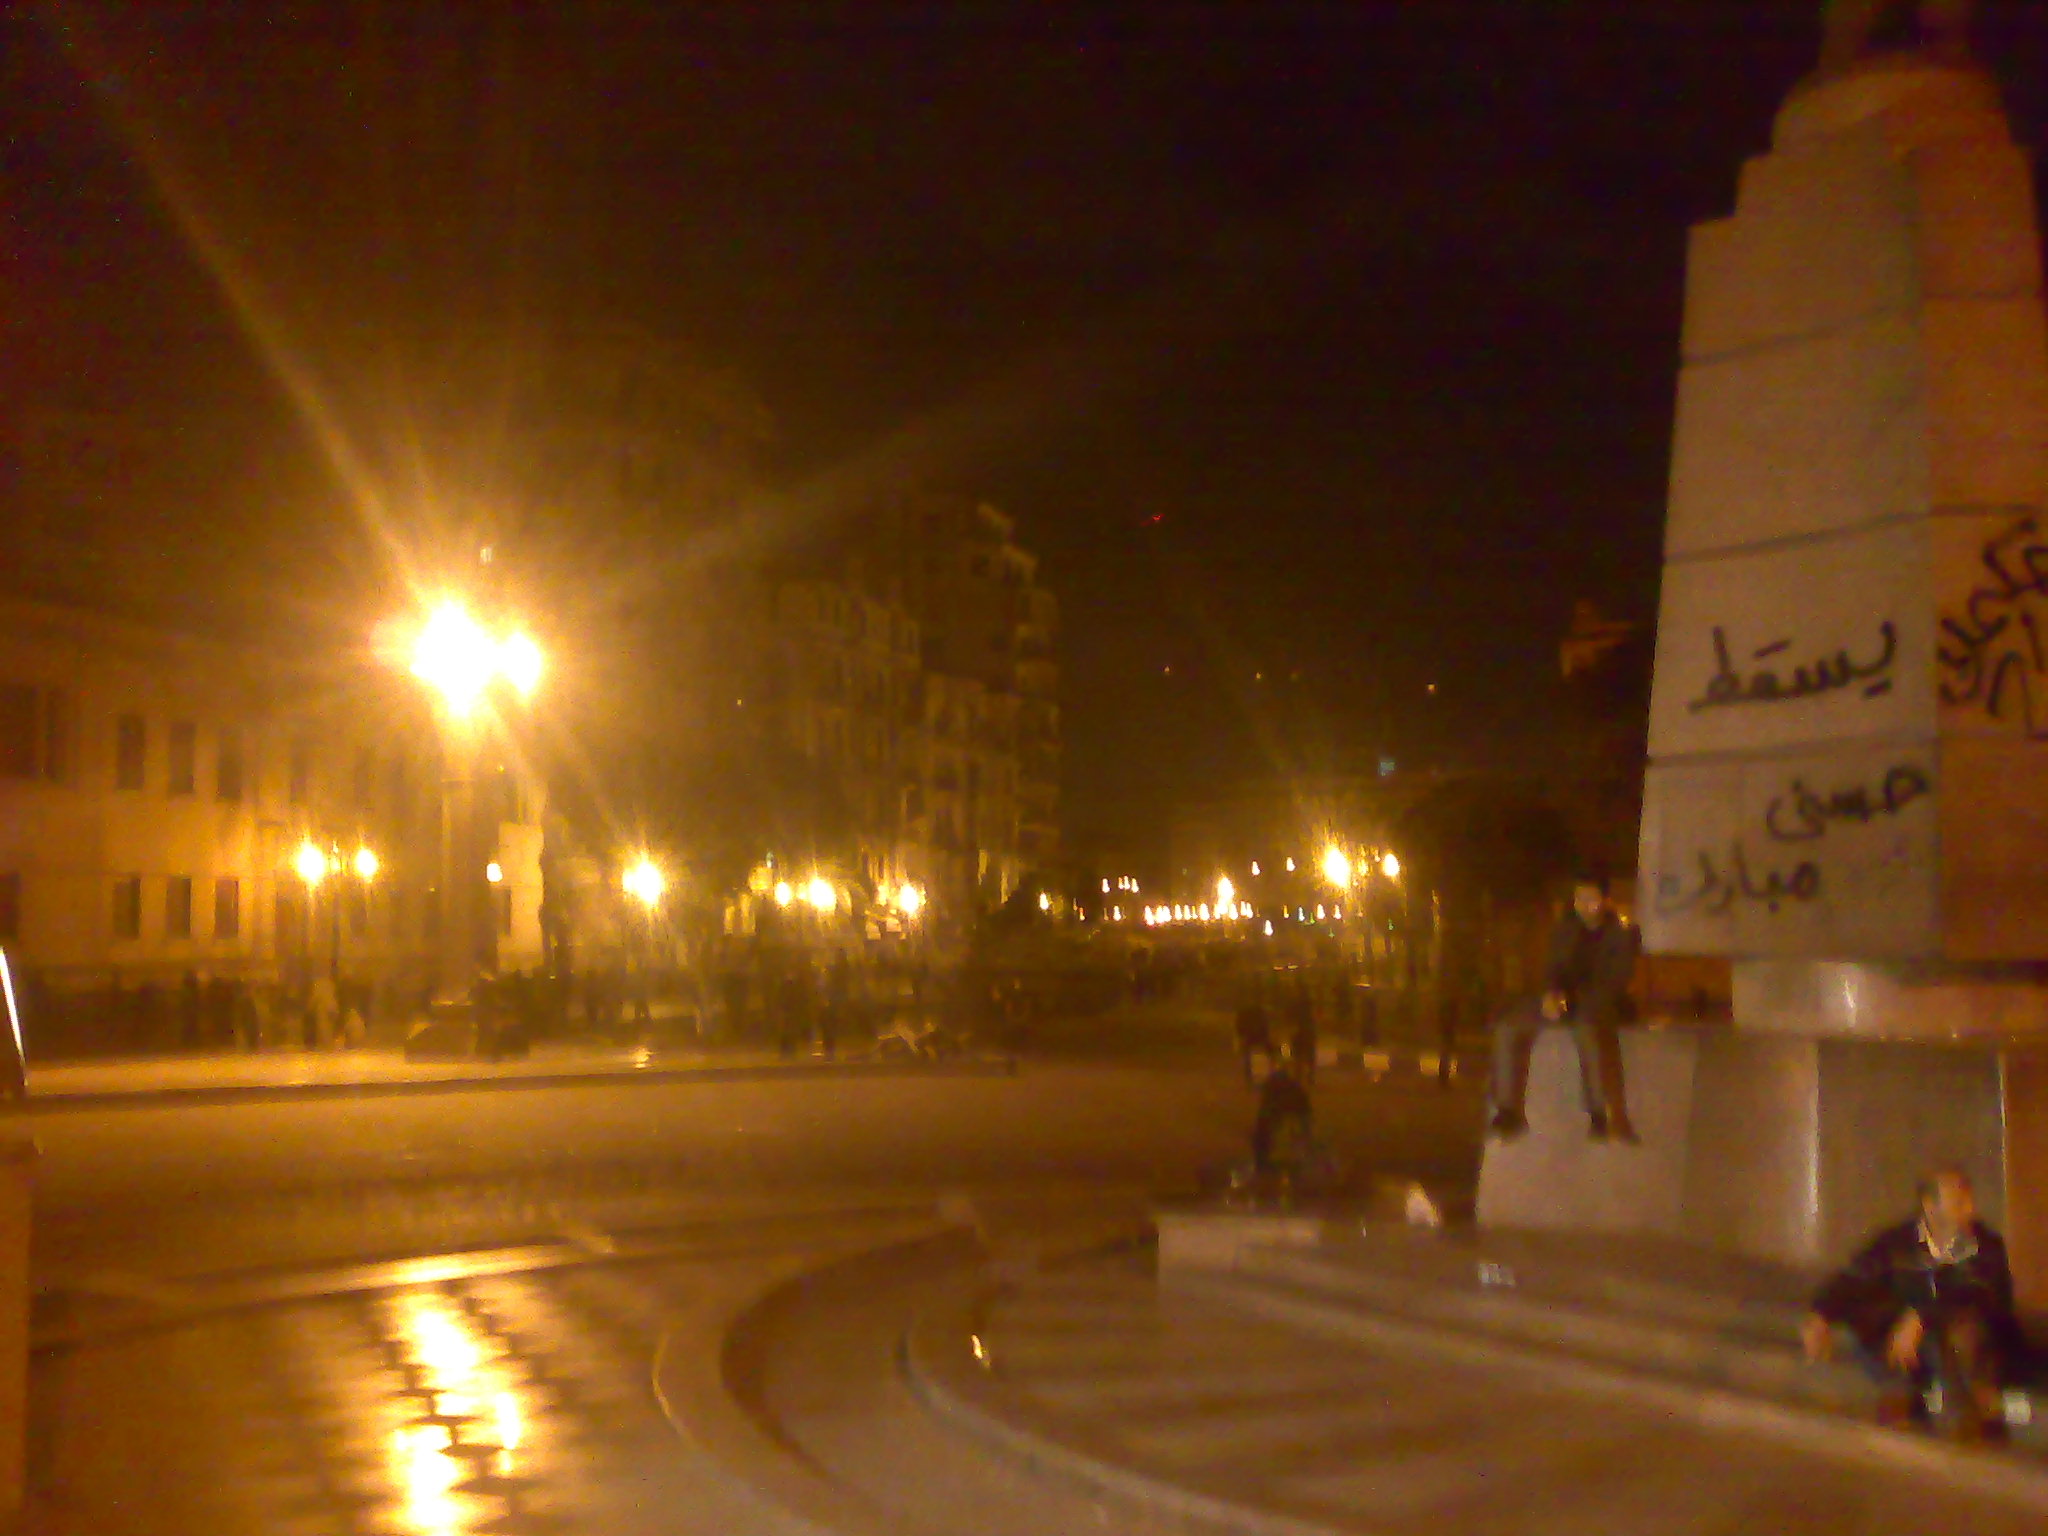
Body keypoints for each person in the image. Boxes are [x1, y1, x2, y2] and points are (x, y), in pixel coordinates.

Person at [1801, 1167, 2023, 1441]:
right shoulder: (1898, 1243)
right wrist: (1821, 1315)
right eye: (1958, 1204)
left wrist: (1921, 1316)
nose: (1968, 1211)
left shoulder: (1985, 1245)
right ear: (1930, 1207)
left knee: (1963, 1328)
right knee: (1875, 1315)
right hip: (1912, 1343)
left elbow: (1982, 1295)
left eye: (1969, 1202)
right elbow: (1855, 1276)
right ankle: (1901, 1396)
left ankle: (1974, 1412)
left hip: (1964, 1345)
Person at [1487, 872, 1641, 1142]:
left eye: (1590, 899)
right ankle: (1507, 1110)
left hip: (1597, 1003)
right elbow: (1552, 968)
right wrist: (1551, 994)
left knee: (1587, 1032)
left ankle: (1598, 1113)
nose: (1583, 905)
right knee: (1507, 1027)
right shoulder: (1565, 929)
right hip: (1563, 1000)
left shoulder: (1619, 935)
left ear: (1605, 901)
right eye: (1578, 898)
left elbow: (1615, 984)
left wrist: (1576, 1001)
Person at [1251, 1057, 1314, 1176]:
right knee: (1297, 1134)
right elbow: (1304, 1108)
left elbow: (1265, 1103)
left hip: (1276, 1113)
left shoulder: (1273, 1085)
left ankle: (1263, 1162)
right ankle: (1294, 1160)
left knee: (1263, 1132)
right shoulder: (1293, 1087)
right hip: (1282, 1113)